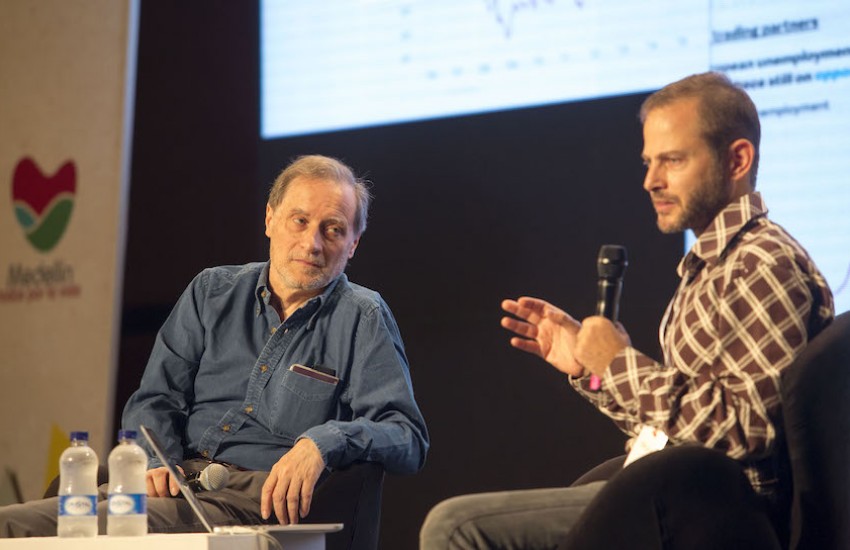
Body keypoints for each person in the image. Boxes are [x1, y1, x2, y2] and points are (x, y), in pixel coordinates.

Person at [420, 72, 833, 549]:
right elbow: (684, 428)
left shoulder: (760, 264)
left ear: (737, 159)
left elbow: (750, 432)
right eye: (648, 162)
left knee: (455, 528)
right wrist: (591, 370)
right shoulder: (716, 265)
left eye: (672, 161)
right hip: (676, 492)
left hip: (712, 514)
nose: (650, 181)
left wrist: (618, 363)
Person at [0, 154, 429, 538]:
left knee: (39, 527)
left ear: (353, 244)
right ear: (270, 219)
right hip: (175, 485)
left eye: (332, 230)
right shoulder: (212, 290)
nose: (312, 243)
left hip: (256, 500)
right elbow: (156, 398)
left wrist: (325, 440)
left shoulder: (362, 315)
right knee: (30, 520)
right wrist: (154, 462)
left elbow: (406, 436)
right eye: (299, 221)